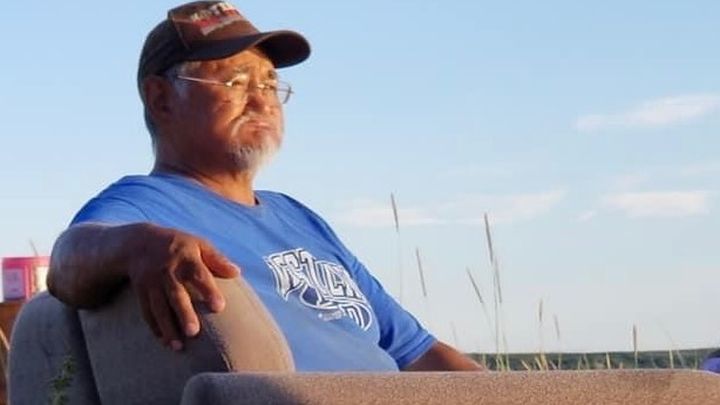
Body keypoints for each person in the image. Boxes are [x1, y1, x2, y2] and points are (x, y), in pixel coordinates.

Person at [47, 0, 480, 372]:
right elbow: (66, 265)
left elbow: (418, 353)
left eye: (271, 84)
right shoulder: (146, 205)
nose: (262, 100)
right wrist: (139, 245)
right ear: (161, 99)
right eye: (235, 82)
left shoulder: (300, 218)